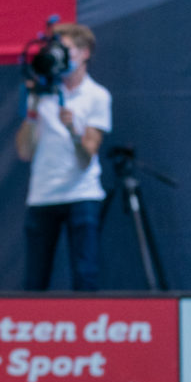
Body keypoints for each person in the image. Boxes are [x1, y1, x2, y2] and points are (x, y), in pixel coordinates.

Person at [15, 22, 112, 291]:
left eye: (65, 49)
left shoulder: (97, 97)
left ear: (85, 53)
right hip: (42, 196)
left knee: (85, 277)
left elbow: (87, 157)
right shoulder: (41, 93)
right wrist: (32, 112)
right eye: (55, 50)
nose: (58, 55)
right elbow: (24, 152)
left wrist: (72, 130)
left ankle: (88, 331)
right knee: (35, 282)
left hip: (82, 196)